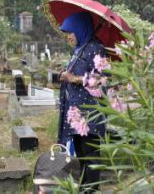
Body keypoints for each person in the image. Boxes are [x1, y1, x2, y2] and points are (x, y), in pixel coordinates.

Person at [57, 12, 107, 192]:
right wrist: (64, 75)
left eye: (70, 32)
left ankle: (91, 190)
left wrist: (75, 78)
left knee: (91, 154)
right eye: (66, 33)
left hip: (90, 112)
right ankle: (85, 188)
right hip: (77, 113)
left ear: (80, 29)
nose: (68, 36)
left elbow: (103, 80)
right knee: (81, 153)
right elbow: (74, 74)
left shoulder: (96, 48)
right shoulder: (80, 49)